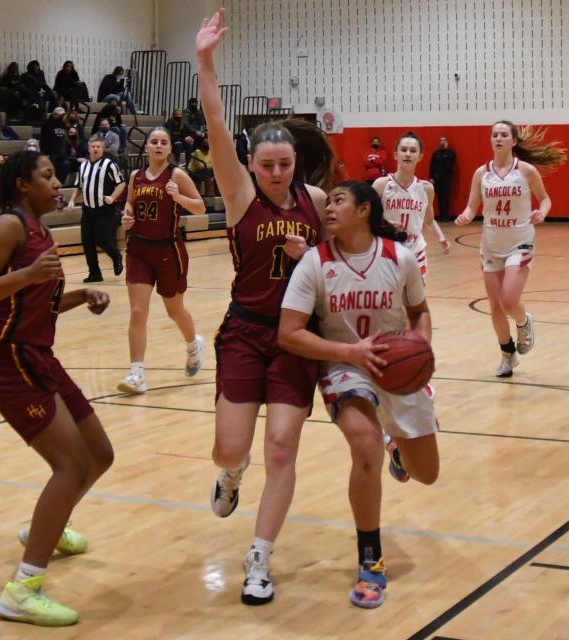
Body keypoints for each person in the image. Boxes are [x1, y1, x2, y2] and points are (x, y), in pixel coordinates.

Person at [197, 8, 333, 605]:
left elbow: (337, 277)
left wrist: (314, 260)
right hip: (244, 331)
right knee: (234, 446)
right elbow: (216, 123)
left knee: (282, 445)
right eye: (268, 165)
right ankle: (231, 474)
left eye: (286, 165)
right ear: (252, 165)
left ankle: (259, 557)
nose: (278, 173)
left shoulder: (319, 200)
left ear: (296, 165)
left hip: (294, 338)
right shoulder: (240, 193)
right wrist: (205, 61)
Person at [0, 150, 113, 627]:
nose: (56, 181)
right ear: (23, 185)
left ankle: (48, 526)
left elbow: (35, 300)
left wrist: (78, 297)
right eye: (47, 175)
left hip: (37, 353)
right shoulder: (9, 225)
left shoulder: (41, 230)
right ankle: (22, 590)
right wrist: (26, 275)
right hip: (4, 357)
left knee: (100, 453)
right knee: (70, 465)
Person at [279, 180, 439, 608]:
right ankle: (371, 561)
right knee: (364, 444)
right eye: (326, 202)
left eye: (338, 201)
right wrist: (349, 351)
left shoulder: (399, 258)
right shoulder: (314, 262)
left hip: (397, 368)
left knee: (428, 474)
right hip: (344, 366)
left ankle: (401, 451)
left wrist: (421, 348)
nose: (328, 209)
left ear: (365, 209)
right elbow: (289, 333)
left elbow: (420, 313)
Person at [455, 122, 565, 377]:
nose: (499, 138)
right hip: (491, 243)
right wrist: (464, 216)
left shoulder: (525, 170)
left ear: (513, 141)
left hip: (520, 241)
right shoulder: (481, 174)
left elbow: (545, 198)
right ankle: (508, 354)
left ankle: (523, 321)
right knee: (495, 306)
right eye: (495, 134)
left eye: (504, 134)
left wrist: (542, 211)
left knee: (508, 301)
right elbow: (473, 207)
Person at [117, 127, 206, 393]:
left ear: (169, 149)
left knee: (174, 310)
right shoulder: (136, 176)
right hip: (139, 249)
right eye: (153, 141)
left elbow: (200, 207)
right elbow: (130, 204)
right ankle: (137, 374)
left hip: (169, 250)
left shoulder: (177, 175)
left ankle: (193, 344)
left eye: (163, 142)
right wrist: (127, 216)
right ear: (146, 147)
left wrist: (178, 197)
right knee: (137, 311)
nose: (158, 145)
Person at [373, 132, 449, 282]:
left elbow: (429, 220)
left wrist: (441, 237)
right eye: (404, 150)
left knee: (415, 299)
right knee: (390, 301)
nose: (408, 154)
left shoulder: (426, 188)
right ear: (395, 154)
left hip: (415, 249)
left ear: (420, 156)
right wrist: (385, 225)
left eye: (413, 151)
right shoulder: (381, 184)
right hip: (387, 249)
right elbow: (368, 219)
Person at [76, 135, 124, 283]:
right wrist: (72, 200)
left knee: (102, 240)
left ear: (102, 149)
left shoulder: (109, 164)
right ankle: (94, 273)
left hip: (105, 210)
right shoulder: (83, 166)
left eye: (98, 146)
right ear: (89, 149)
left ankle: (116, 256)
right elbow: (79, 187)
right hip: (88, 210)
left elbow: (121, 184)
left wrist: (113, 197)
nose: (95, 149)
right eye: (93, 146)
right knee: (87, 242)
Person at [429, 136, 457, 221]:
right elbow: (432, 166)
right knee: (439, 197)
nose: (442, 142)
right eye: (441, 141)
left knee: (446, 197)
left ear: (447, 142)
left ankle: (445, 216)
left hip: (447, 179)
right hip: (437, 179)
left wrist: (446, 149)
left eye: (444, 140)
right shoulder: (436, 153)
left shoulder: (450, 153)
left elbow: (452, 162)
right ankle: (441, 215)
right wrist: (431, 177)